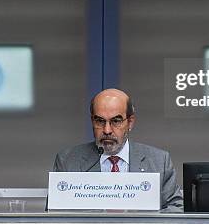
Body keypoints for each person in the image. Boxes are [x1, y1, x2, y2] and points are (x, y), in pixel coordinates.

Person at [53, 88, 183, 212]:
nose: (107, 130)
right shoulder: (67, 161)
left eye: (116, 121)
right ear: (92, 121)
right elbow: (54, 215)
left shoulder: (159, 161)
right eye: (100, 121)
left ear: (130, 122)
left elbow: (175, 208)